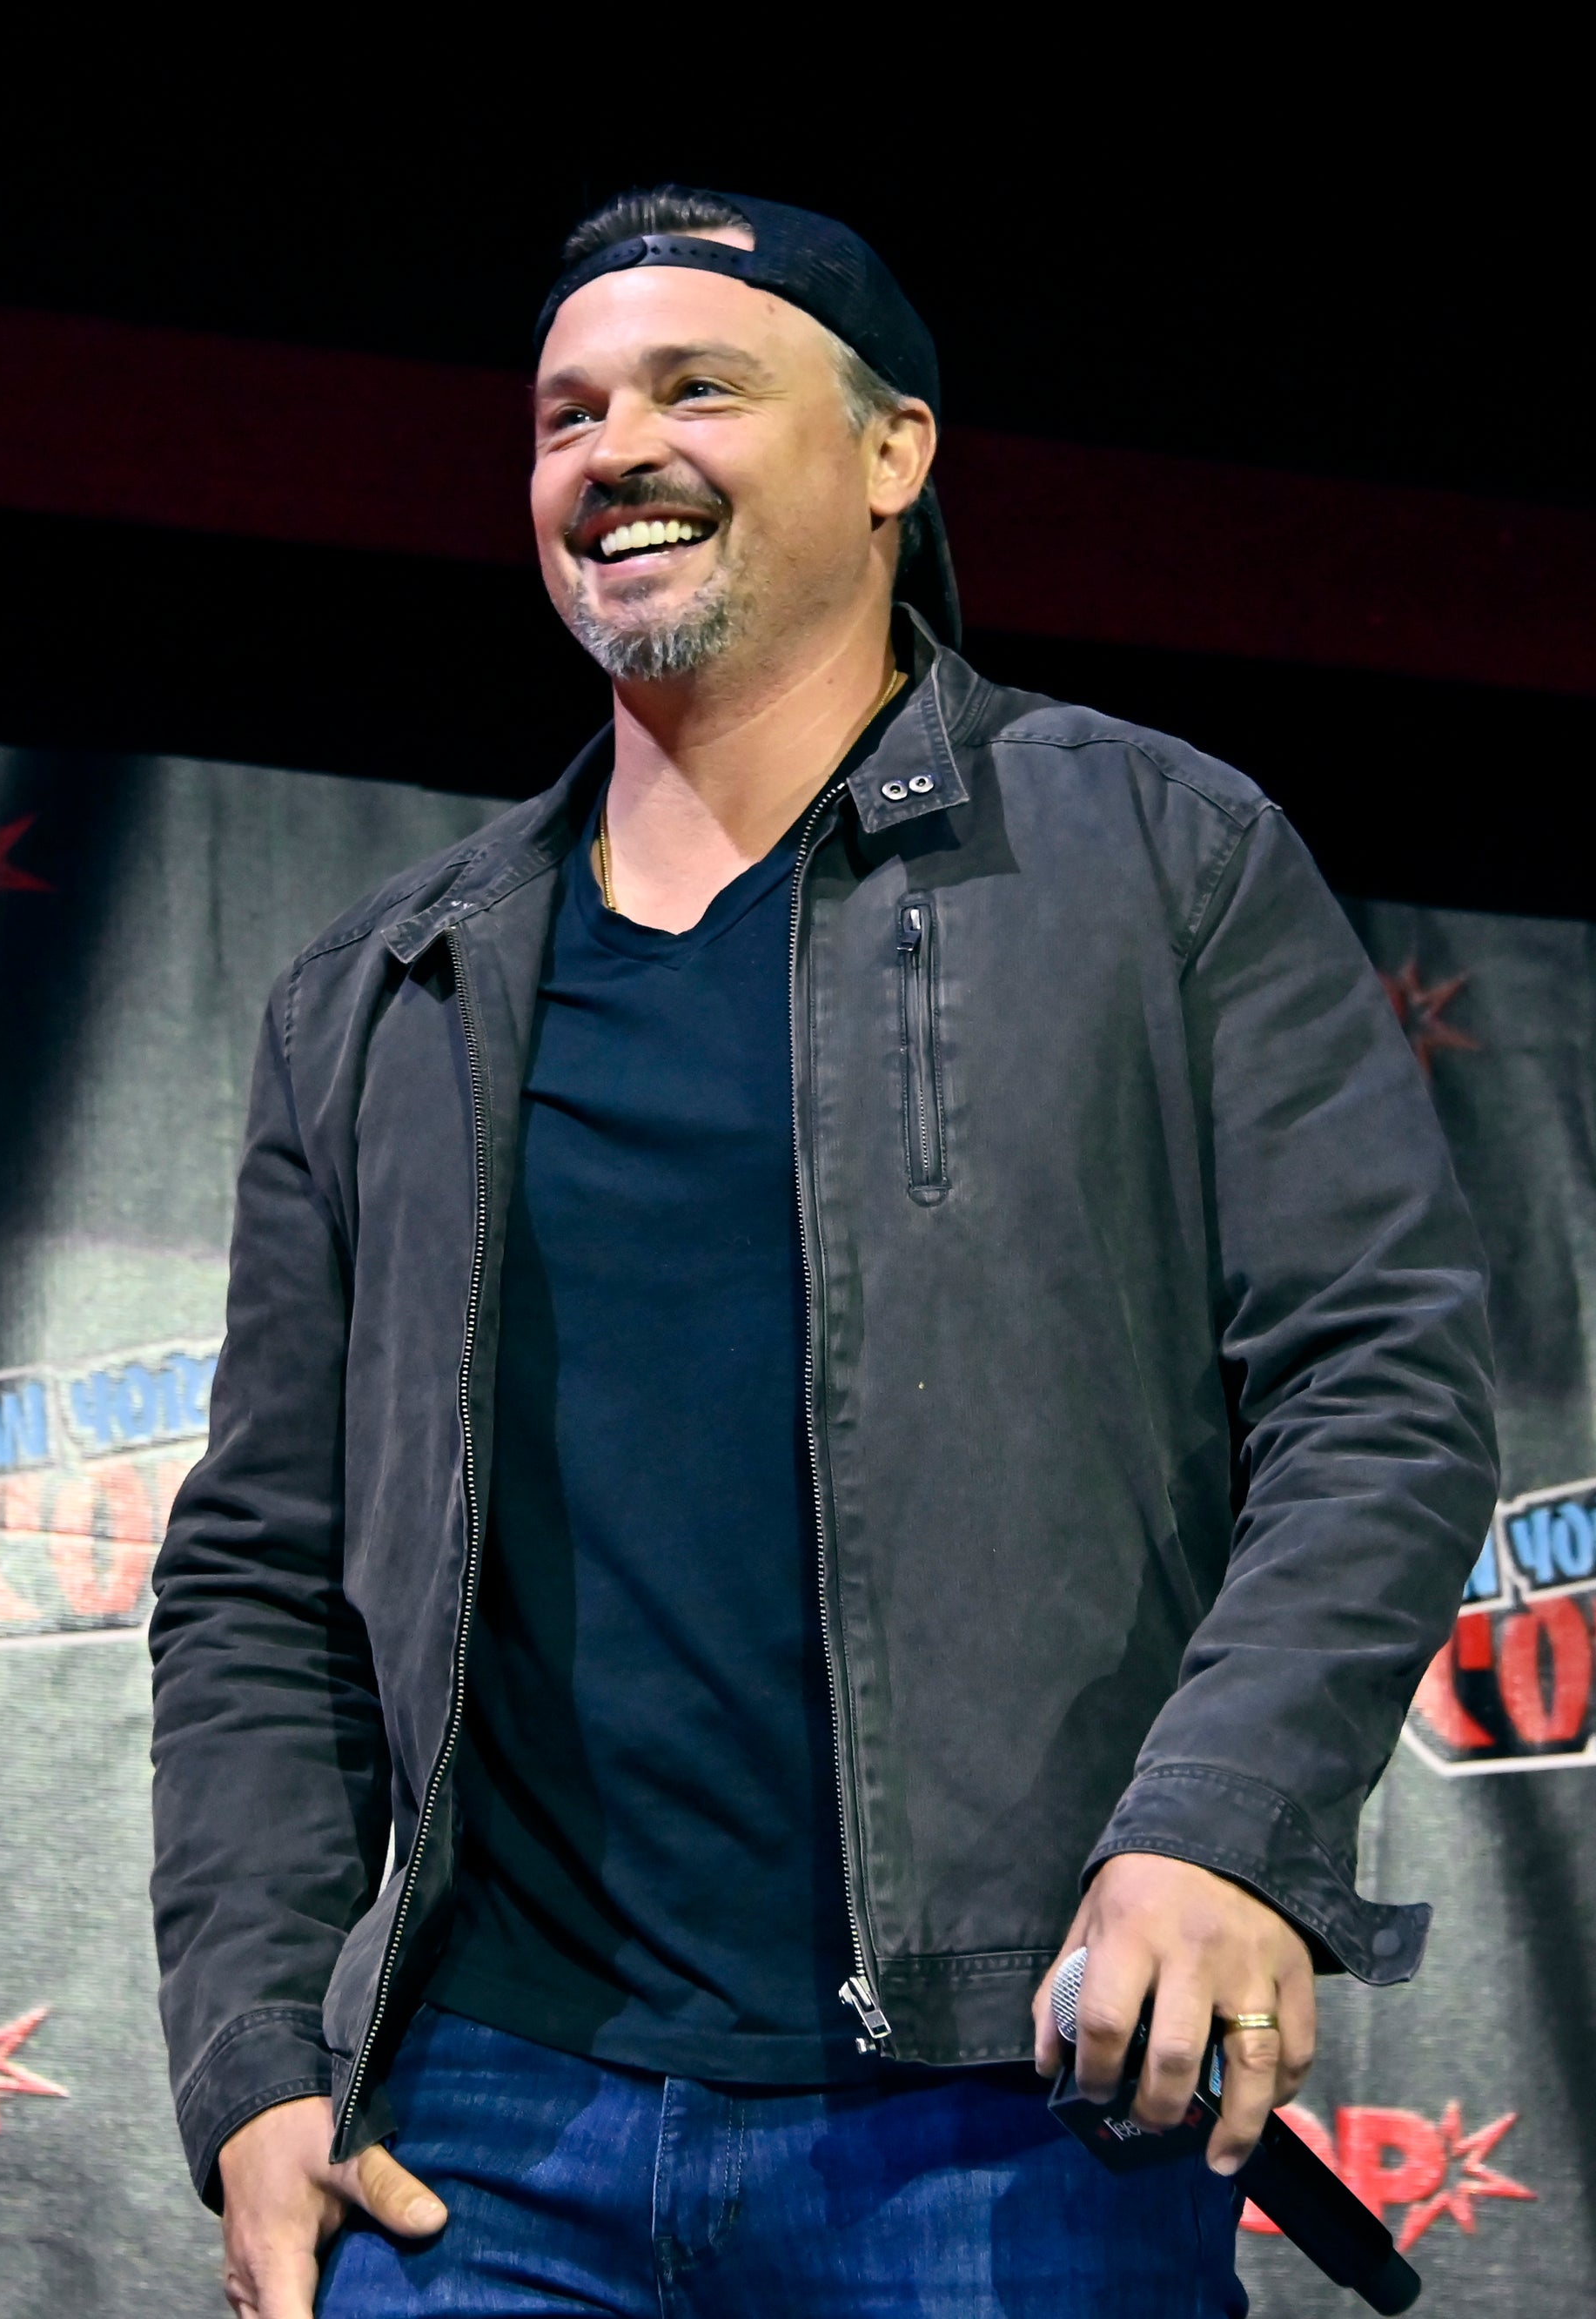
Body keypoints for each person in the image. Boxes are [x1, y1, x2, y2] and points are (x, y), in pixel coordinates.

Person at [149, 186, 1499, 2319]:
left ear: (893, 455)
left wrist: (1222, 1829)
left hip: (1000, 2121)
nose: (614, 452)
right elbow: (252, 1574)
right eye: (564, 412)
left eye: (700, 386)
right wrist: (247, 2058)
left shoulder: (1157, 856)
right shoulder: (386, 985)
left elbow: (1377, 1391)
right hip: (481, 2136)